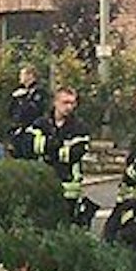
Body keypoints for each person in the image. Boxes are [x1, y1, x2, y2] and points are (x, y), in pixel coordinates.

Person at [12, 86, 96, 222]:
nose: (69, 107)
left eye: (72, 103)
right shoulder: (40, 124)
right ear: (55, 102)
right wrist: (58, 146)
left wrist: (46, 147)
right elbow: (29, 147)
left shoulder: (80, 128)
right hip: (42, 184)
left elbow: (73, 154)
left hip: (68, 188)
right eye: (65, 102)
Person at [7, 64, 49, 133]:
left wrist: (22, 99)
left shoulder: (39, 91)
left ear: (30, 76)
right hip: (19, 128)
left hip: (34, 128)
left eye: (22, 74)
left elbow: (34, 111)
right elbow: (11, 111)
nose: (20, 77)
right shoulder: (19, 91)